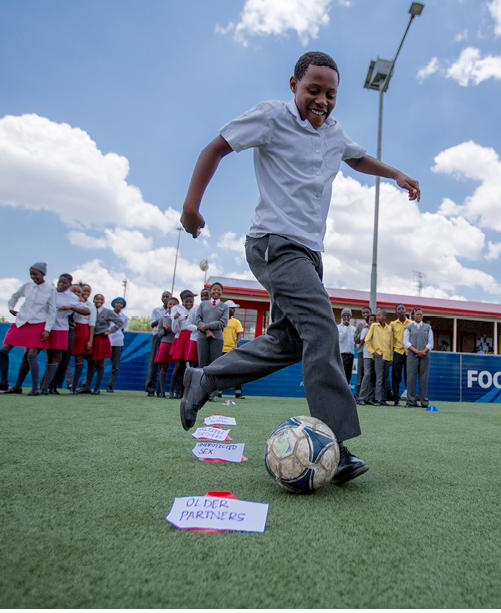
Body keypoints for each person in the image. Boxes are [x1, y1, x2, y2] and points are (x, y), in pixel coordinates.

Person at [178, 51, 420, 485]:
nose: (322, 101)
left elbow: (356, 157)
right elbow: (215, 147)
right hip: (274, 243)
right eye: (314, 90)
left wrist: (396, 174)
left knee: (290, 341)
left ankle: (206, 377)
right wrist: (191, 207)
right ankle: (336, 443)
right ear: (294, 85)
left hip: (308, 254)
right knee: (323, 329)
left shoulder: (333, 132)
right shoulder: (272, 117)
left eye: (331, 94)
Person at [0, 262, 57, 396]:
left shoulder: (50, 290)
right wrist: (11, 308)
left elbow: (52, 311)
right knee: (3, 350)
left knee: (32, 354)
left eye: (36, 274)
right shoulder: (27, 286)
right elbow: (15, 296)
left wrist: (47, 330)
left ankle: (35, 388)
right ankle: (3, 382)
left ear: (43, 274)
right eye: (31, 275)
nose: (33, 277)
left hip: (39, 323)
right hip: (22, 322)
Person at [41, 274, 90, 395]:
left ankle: (54, 385)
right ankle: (43, 385)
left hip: (67, 329)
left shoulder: (73, 299)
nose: (61, 285)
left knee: (63, 359)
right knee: (51, 357)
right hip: (49, 327)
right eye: (60, 282)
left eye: (79, 292)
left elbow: (87, 311)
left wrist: (71, 307)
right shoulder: (51, 293)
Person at [77, 294, 123, 395]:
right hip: (91, 338)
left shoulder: (107, 312)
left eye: (101, 299)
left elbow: (120, 322)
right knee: (90, 363)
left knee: (100, 363)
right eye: (97, 299)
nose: (99, 301)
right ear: (93, 300)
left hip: (102, 339)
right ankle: (87, 387)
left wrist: (110, 331)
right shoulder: (89, 309)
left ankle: (97, 388)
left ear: (104, 301)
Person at [195, 282, 229, 402]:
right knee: (202, 365)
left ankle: (213, 393)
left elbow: (223, 323)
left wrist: (207, 327)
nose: (216, 292)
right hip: (202, 337)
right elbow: (197, 319)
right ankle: (200, 392)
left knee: (215, 365)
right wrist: (206, 331)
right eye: (214, 289)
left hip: (217, 337)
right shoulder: (203, 304)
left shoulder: (224, 307)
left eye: (219, 290)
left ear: (221, 292)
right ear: (210, 291)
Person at [170, 290, 199, 398]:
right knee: (178, 366)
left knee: (191, 367)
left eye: (191, 302)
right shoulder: (177, 310)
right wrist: (176, 319)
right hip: (182, 338)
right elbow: (175, 329)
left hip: (192, 337)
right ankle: (173, 391)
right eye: (186, 302)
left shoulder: (196, 309)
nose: (189, 304)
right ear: (182, 302)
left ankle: (186, 393)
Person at [70, 283, 97, 394]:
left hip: (83, 332)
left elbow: (92, 323)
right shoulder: (72, 303)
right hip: (71, 329)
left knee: (79, 358)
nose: (85, 294)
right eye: (83, 291)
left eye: (88, 292)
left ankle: (74, 386)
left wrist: (90, 340)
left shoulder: (91, 306)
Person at [404, 308, 433, 408]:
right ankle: (410, 401)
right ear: (413, 316)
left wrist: (423, 352)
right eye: (417, 314)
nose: (419, 316)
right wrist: (417, 352)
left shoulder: (428, 327)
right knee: (411, 378)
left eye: (421, 314)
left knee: (423, 378)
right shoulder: (409, 327)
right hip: (412, 355)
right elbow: (406, 342)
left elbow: (430, 343)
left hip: (425, 355)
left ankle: (424, 401)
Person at [365, 308, 393, 406]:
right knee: (379, 378)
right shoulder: (373, 326)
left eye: (379, 315)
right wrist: (373, 351)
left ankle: (384, 399)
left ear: (384, 317)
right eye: (377, 315)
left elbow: (390, 344)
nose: (377, 317)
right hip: (378, 355)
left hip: (387, 356)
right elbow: (367, 340)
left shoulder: (389, 328)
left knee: (386, 379)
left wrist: (390, 358)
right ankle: (378, 399)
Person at [145, 291, 172, 397]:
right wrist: (163, 319)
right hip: (158, 336)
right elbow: (152, 324)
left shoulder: (175, 310)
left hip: (169, 337)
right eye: (164, 297)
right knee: (153, 362)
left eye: (167, 297)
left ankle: (161, 390)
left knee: (164, 364)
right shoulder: (157, 310)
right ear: (161, 299)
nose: (165, 299)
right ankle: (150, 388)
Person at [154, 296, 179, 398]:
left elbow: (180, 330)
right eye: (170, 304)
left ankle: (176, 392)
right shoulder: (163, 318)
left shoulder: (180, 317)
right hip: (165, 343)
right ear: (167, 305)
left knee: (178, 368)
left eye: (174, 304)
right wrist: (165, 330)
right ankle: (161, 391)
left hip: (176, 344)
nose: (172, 306)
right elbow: (159, 333)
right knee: (163, 367)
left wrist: (171, 328)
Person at [220, 300, 245, 399]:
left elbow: (239, 334)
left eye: (234, 308)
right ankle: (218, 391)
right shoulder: (221, 321)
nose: (234, 310)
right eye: (232, 308)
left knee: (237, 371)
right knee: (220, 371)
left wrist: (236, 344)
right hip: (220, 349)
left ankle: (238, 392)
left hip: (232, 350)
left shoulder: (236, 322)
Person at [389, 304, 412, 406]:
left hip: (409, 352)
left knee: (409, 376)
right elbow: (388, 336)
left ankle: (410, 399)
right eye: (399, 309)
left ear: (406, 311)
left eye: (403, 309)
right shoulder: (392, 324)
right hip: (398, 352)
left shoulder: (411, 323)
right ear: (396, 312)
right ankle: (396, 399)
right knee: (396, 376)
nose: (401, 310)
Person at [107, 297, 129, 392]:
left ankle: (110, 385)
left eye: (121, 303)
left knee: (115, 365)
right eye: (117, 303)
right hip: (107, 339)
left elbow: (123, 329)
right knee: (99, 362)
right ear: (114, 304)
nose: (119, 305)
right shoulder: (107, 314)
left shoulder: (124, 317)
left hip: (118, 341)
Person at [353, 306, 371, 402]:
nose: (365, 315)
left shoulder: (374, 324)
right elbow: (356, 340)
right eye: (363, 313)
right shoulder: (360, 325)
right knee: (360, 374)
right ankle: (358, 396)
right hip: (361, 352)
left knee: (369, 374)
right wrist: (362, 332)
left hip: (370, 353)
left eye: (367, 312)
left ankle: (368, 396)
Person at [357, 314, 376, 405]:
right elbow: (361, 341)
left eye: (374, 320)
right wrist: (369, 332)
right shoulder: (365, 329)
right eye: (370, 320)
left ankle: (370, 398)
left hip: (376, 355)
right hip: (367, 355)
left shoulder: (378, 329)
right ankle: (361, 397)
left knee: (373, 377)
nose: (372, 322)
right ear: (368, 322)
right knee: (367, 374)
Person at [337, 308, 356, 384]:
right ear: (342, 317)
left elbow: (354, 341)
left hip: (351, 354)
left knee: (348, 375)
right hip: (342, 354)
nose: (346, 318)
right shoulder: (338, 327)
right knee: (342, 374)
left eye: (348, 316)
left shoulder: (353, 329)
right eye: (344, 316)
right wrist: (345, 326)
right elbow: (341, 338)